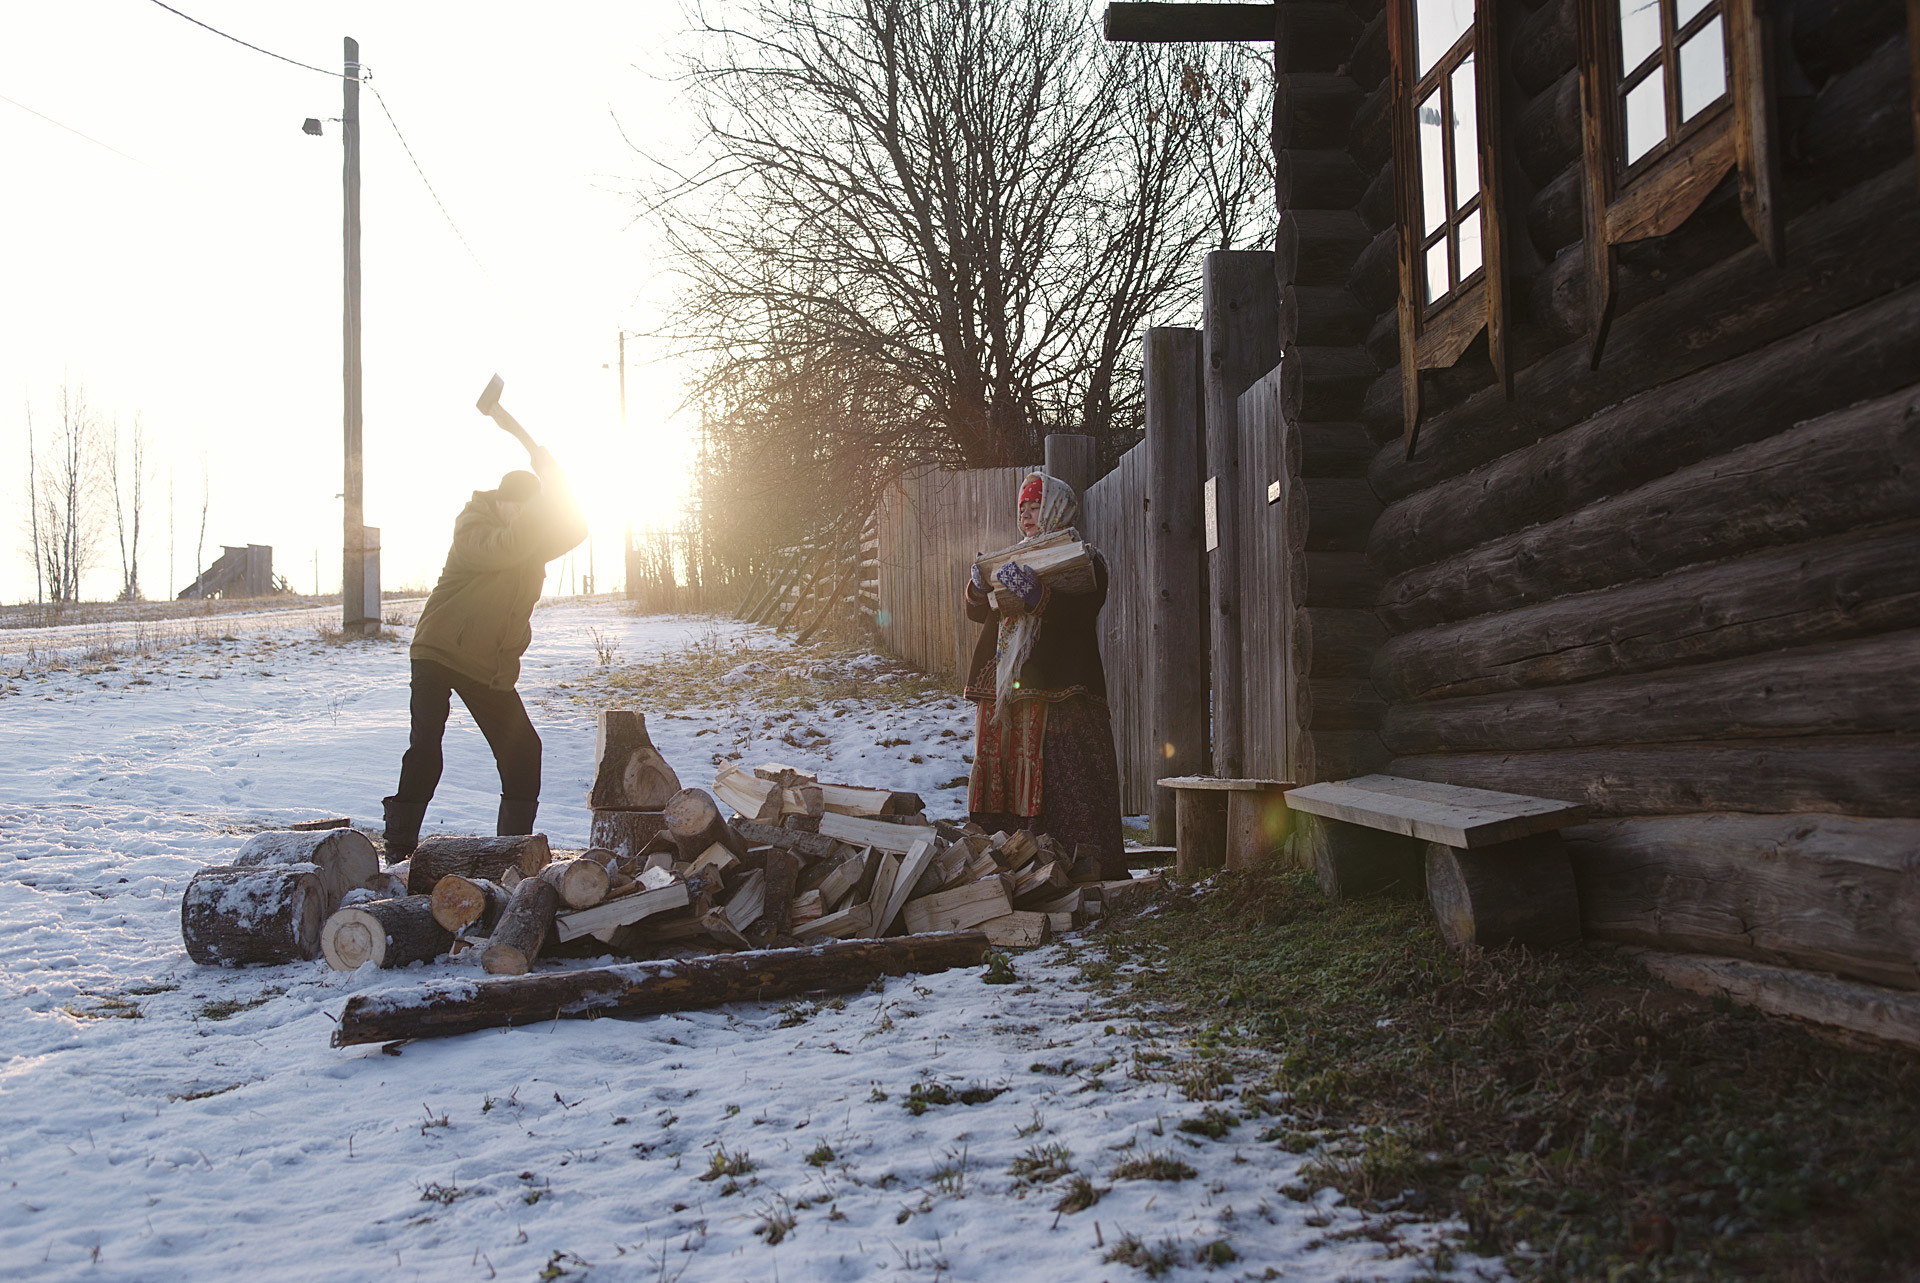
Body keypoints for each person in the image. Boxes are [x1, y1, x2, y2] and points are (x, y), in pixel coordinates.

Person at [380, 428, 587, 861]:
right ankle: (400, 847)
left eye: (531, 511)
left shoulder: (528, 536)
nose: (524, 517)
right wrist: (538, 507)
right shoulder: (475, 525)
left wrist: (549, 469)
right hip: (438, 651)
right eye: (520, 507)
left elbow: (576, 526)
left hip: (487, 666)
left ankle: (509, 852)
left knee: (524, 751)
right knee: (426, 747)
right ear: (502, 500)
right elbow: (508, 545)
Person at [962, 471, 1124, 877]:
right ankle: (1004, 861)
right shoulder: (1011, 558)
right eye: (1022, 508)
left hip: (1060, 686)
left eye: (1036, 506)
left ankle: (1068, 862)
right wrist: (979, 586)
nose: (1028, 515)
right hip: (1008, 687)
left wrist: (1038, 596)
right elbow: (980, 612)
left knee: (1061, 768)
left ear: (1056, 508)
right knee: (1004, 762)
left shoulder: (1084, 558)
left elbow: (1082, 613)